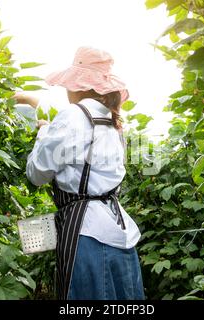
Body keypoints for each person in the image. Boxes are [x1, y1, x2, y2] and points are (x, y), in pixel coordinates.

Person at [13, 46, 144, 300]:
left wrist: (42, 134)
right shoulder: (113, 122)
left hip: (87, 236)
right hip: (120, 234)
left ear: (80, 85)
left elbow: (37, 173)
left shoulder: (73, 116)